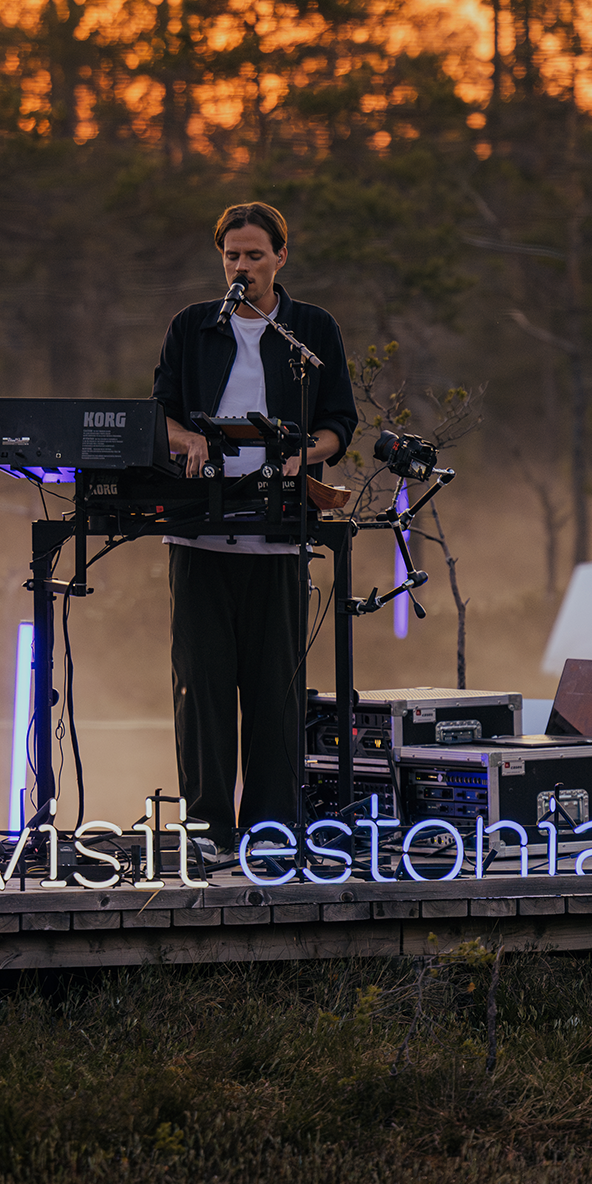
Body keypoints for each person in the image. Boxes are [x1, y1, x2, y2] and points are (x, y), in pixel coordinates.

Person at [151, 202, 356, 858]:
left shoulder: (312, 329)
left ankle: (269, 828)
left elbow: (338, 422)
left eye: (254, 255)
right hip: (199, 534)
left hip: (277, 531)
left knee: (274, 688)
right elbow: (160, 413)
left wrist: (304, 456)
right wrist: (187, 442)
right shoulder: (192, 327)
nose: (242, 266)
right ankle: (207, 830)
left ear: (280, 257)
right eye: (232, 255)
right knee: (202, 688)